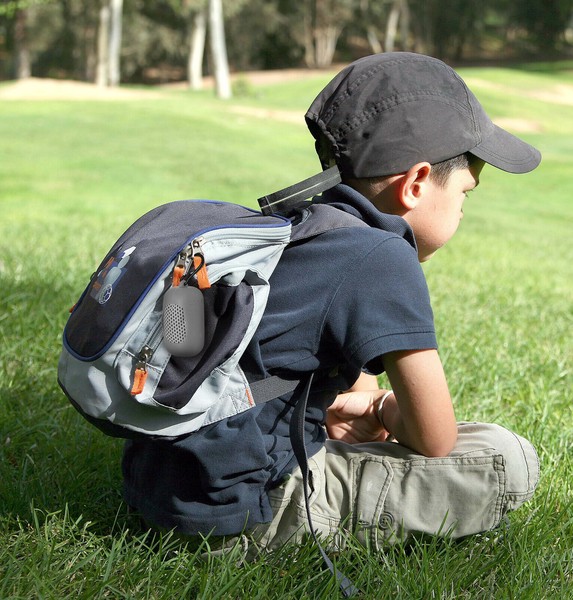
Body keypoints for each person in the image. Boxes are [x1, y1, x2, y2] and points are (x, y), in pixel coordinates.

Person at [122, 52, 541, 555]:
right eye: (465, 194)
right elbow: (434, 437)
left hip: (157, 485)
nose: (463, 209)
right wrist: (381, 407)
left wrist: (343, 406)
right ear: (415, 184)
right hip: (245, 512)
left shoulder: (302, 229)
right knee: (506, 458)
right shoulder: (382, 256)